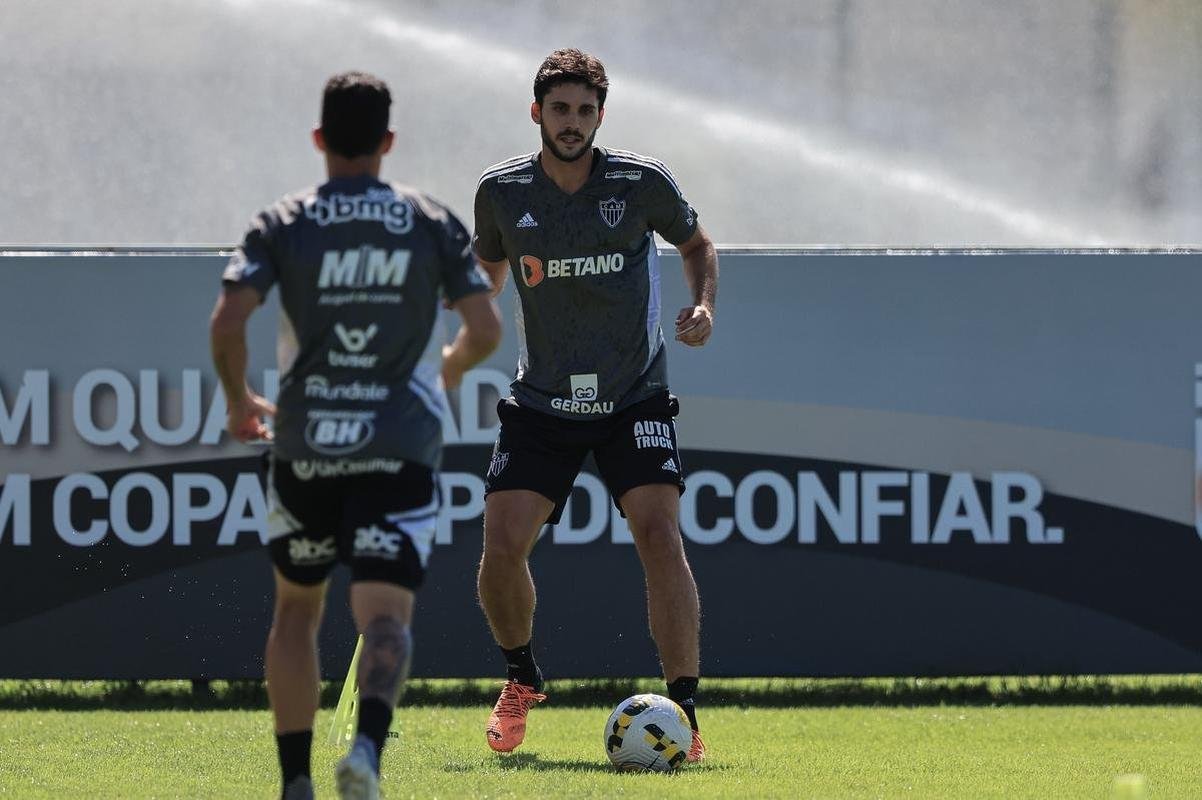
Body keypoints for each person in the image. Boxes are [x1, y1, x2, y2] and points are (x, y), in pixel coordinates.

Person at [209, 71, 502, 800]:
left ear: (318, 139)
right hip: (398, 443)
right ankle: (366, 751)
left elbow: (227, 321)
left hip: (305, 445)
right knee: (385, 618)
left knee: (296, 610)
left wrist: (239, 399)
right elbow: (486, 329)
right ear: (388, 142)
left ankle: (295, 782)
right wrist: (447, 369)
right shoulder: (427, 218)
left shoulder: (284, 220)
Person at [472, 48, 718, 763]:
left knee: (658, 533)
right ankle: (521, 681)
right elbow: (487, 267)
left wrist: (703, 305)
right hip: (541, 400)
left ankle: (685, 712)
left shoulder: (640, 182)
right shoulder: (501, 190)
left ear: (600, 115)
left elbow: (696, 242)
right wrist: (466, 294)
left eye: (584, 111)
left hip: (633, 394)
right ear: (537, 113)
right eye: (560, 109)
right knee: (500, 548)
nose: (572, 122)